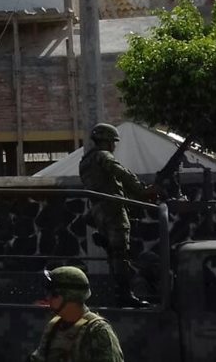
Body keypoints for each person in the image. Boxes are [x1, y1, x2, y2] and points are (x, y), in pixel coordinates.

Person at [78, 123, 156, 307]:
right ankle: (125, 295)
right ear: (106, 141)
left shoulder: (85, 161)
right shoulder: (103, 156)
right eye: (113, 141)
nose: (114, 146)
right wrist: (142, 190)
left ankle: (122, 292)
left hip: (99, 211)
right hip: (112, 209)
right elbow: (120, 173)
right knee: (120, 253)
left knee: (114, 254)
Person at [28, 266, 124, 362]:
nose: (48, 298)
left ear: (70, 297)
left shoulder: (97, 331)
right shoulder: (54, 325)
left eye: (54, 294)